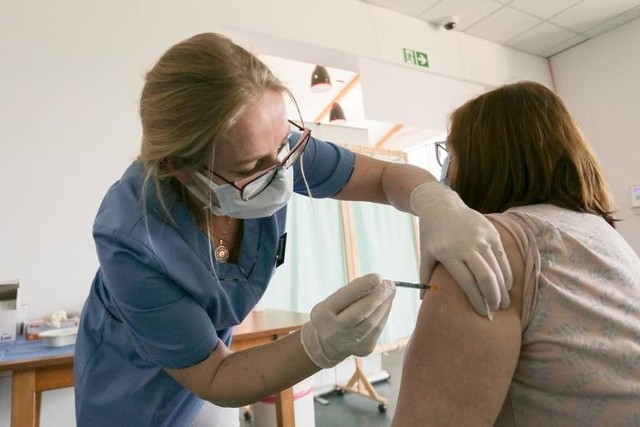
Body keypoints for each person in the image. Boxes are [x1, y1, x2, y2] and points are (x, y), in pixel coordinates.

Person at [74, 32, 512, 426]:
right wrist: (319, 345)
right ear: (179, 167)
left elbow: (383, 178)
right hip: (129, 388)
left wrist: (436, 202)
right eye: (252, 168)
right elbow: (215, 375)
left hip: (214, 372)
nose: (283, 171)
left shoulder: (271, 145)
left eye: (284, 146)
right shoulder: (132, 239)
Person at [392, 81, 640, 427]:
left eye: (451, 154)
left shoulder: (485, 248)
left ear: (486, 155)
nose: (446, 169)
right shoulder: (599, 232)